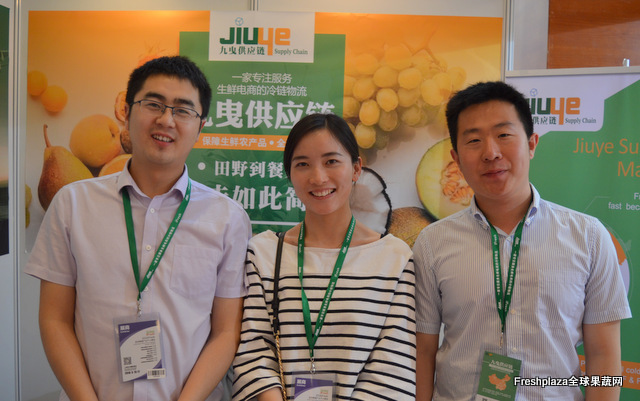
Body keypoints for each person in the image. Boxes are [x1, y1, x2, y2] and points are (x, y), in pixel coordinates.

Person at [25, 56, 251, 401]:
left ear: (200, 126)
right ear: (127, 113)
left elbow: (225, 332)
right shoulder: (72, 204)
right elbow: (55, 319)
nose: (166, 120)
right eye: (153, 104)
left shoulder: (228, 218)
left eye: (183, 110)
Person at [413, 81, 632, 401]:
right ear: (456, 158)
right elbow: (423, 351)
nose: (491, 153)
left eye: (503, 135)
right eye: (474, 140)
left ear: (531, 144)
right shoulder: (432, 243)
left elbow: (604, 356)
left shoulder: (589, 237)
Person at [231, 113, 416, 400]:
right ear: (289, 174)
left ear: (356, 168)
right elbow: (254, 353)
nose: (318, 177)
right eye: (302, 164)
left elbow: (393, 367)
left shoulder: (394, 257)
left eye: (331, 161)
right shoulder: (264, 253)